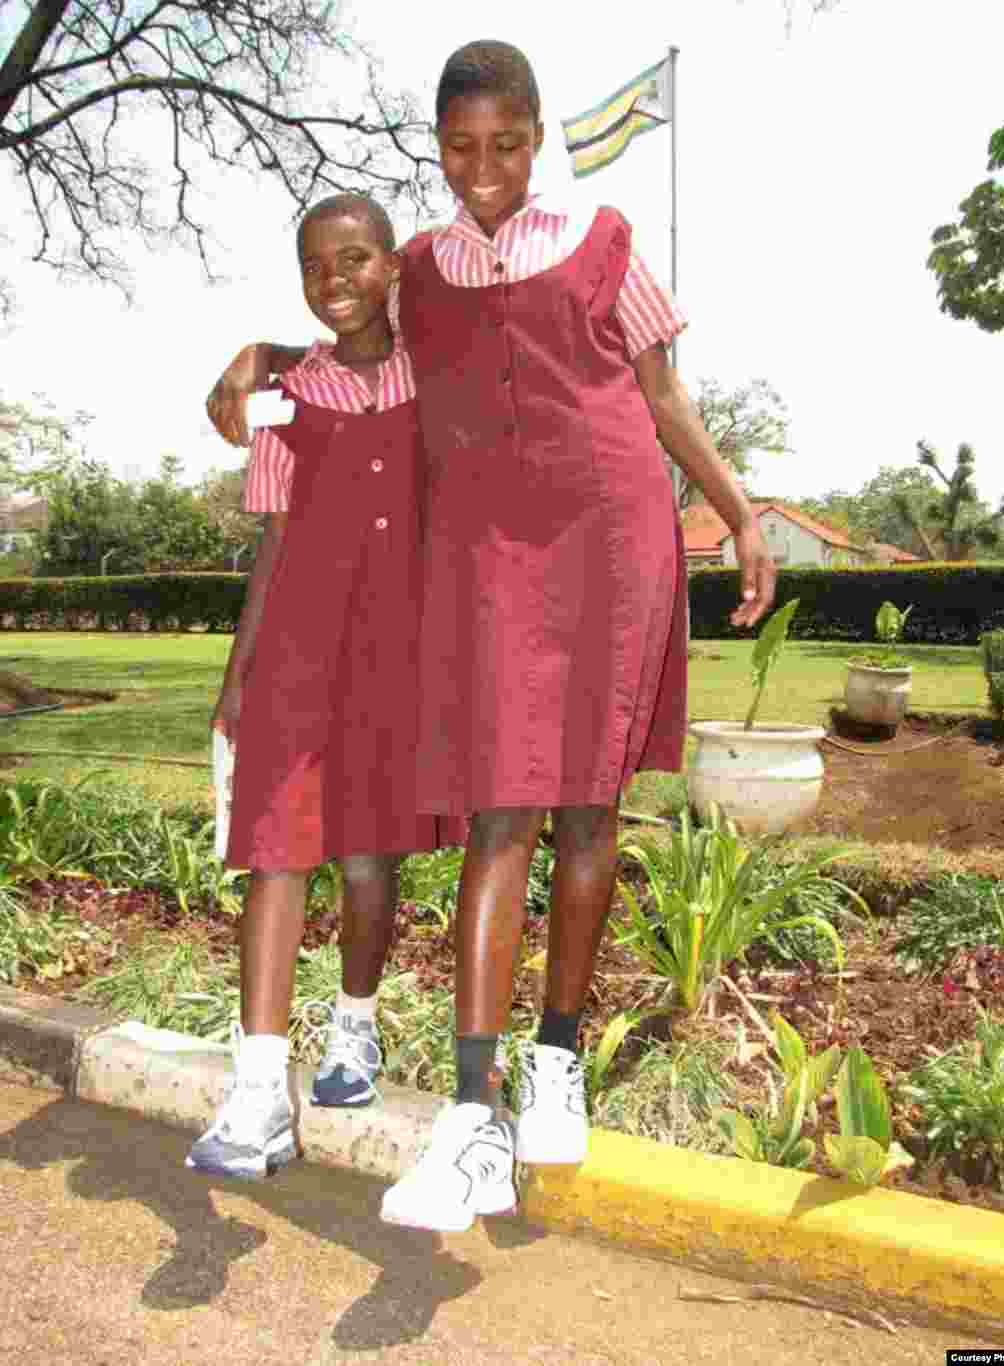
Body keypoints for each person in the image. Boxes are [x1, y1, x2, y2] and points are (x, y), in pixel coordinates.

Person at [205, 39, 775, 1231]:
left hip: (614, 539)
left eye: (505, 145)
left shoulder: (607, 242)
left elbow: (664, 396)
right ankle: (472, 1120)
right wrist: (256, 360)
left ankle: (555, 1056)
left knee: (588, 809)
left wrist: (735, 513)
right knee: (500, 810)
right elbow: (347, 324)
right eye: (460, 149)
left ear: (536, 135)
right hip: (495, 561)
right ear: (437, 145)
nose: (483, 170)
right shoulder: (419, 267)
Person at [188, 192, 464, 1184]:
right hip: (297, 649)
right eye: (315, 264)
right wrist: (237, 675)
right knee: (274, 850)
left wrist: (255, 344)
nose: (334, 278)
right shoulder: (283, 397)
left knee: (363, 860)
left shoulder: (439, 375)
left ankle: (355, 1022)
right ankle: (259, 1088)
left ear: (391, 265)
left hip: (397, 653)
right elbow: (270, 541)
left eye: (355, 258)